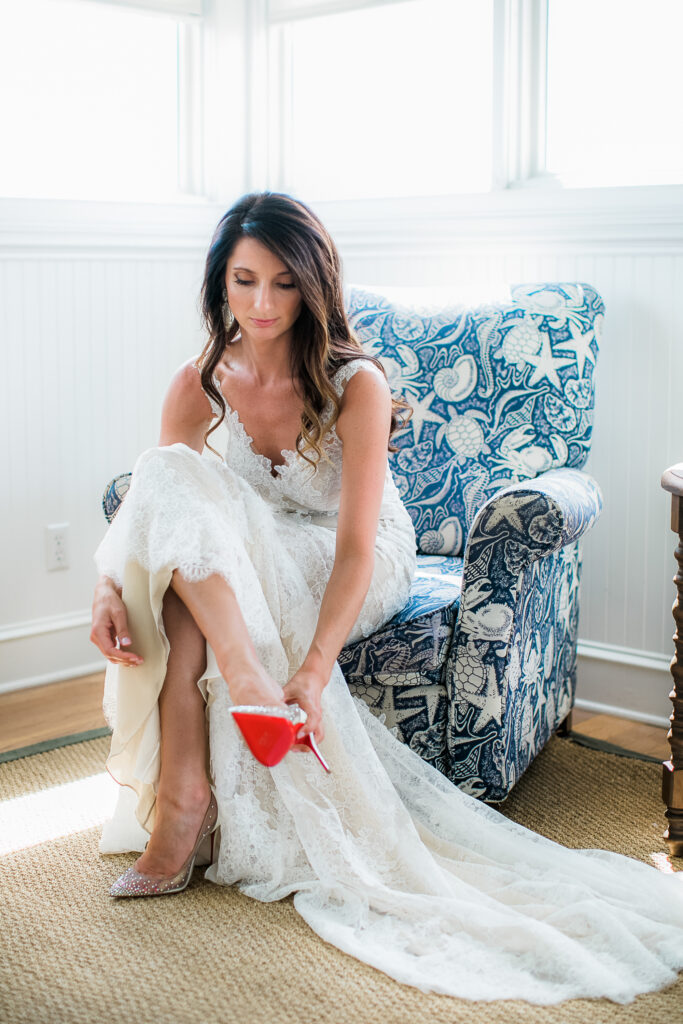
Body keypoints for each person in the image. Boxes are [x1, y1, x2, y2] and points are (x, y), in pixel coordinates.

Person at [91, 192, 683, 1004]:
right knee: (167, 482)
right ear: (218, 285)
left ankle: (186, 802)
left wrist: (314, 665)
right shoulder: (199, 383)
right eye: (244, 281)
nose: (262, 305)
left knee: (188, 590)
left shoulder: (354, 383)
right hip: (240, 557)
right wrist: (106, 585)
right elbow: (158, 510)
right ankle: (200, 775)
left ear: (312, 286)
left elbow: (358, 546)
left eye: (282, 285)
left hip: (358, 556)